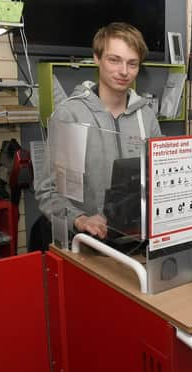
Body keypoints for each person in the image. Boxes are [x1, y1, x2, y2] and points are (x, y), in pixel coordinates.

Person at [34, 22, 161, 243]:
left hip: (137, 239)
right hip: (87, 243)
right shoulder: (71, 115)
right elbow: (50, 192)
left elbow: (160, 177)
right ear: (96, 58)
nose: (124, 71)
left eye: (132, 63)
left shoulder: (146, 116)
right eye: (114, 60)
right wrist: (80, 219)